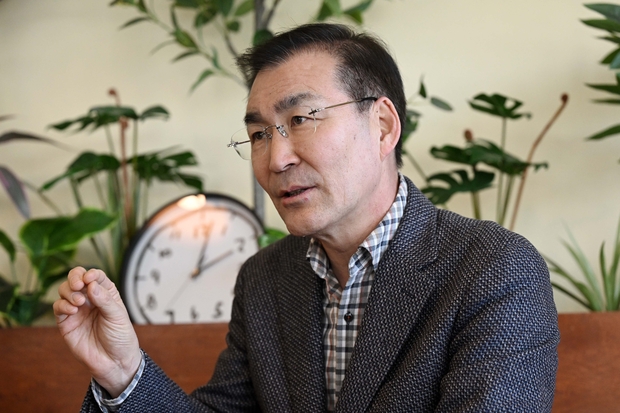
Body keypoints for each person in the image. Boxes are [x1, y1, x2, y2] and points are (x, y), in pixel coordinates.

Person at [54, 23, 560, 412]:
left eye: (300, 119)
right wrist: (124, 372)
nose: (276, 159)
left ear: (383, 126)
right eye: (259, 134)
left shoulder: (494, 268)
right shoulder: (266, 278)